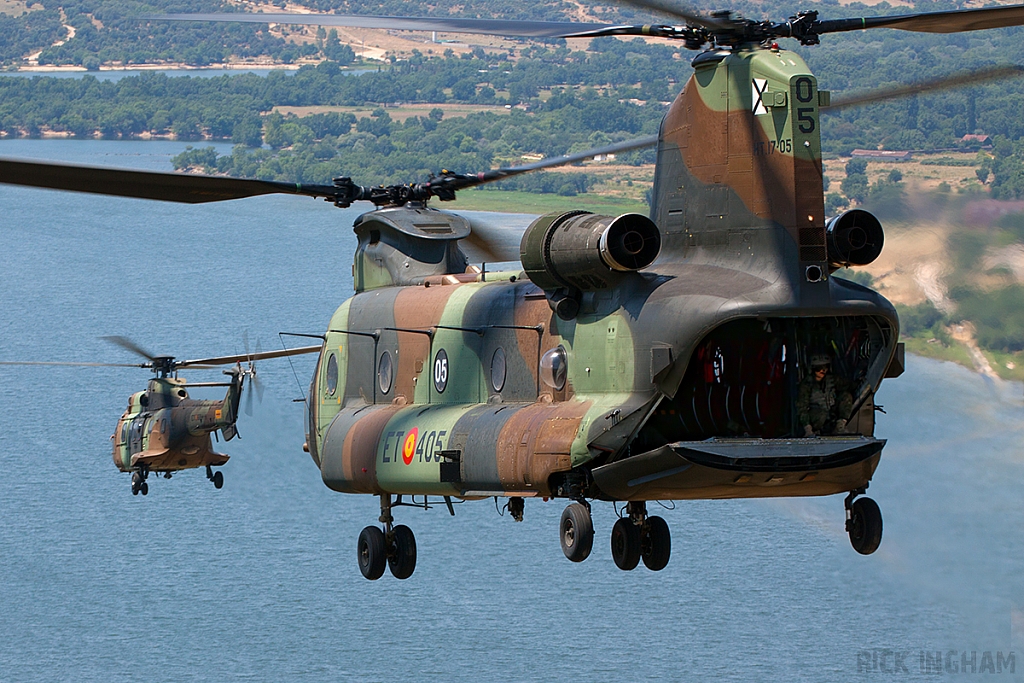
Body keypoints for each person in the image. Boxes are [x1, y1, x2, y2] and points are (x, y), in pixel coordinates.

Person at [797, 353, 853, 436]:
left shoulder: (832, 380)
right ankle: (816, 430)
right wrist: (808, 429)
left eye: (825, 367)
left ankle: (840, 427)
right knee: (821, 414)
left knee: (846, 396)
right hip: (816, 416)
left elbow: (847, 385)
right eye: (818, 368)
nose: (822, 370)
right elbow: (802, 407)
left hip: (831, 412)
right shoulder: (806, 385)